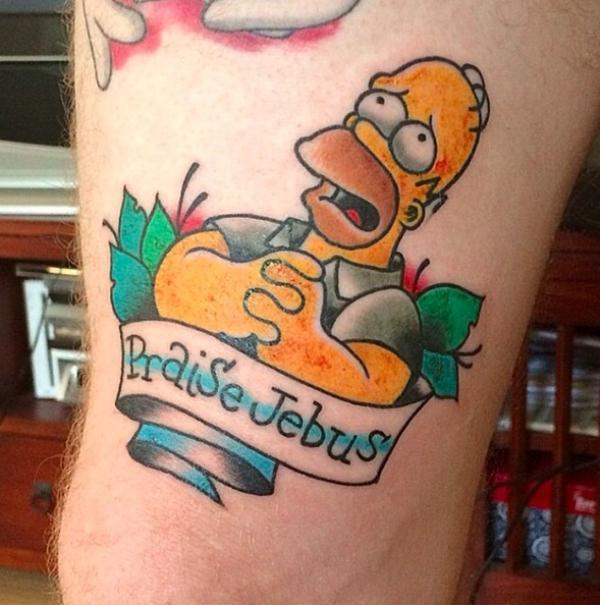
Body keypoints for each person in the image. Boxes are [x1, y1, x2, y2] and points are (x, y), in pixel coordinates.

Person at [57, 1, 600, 603]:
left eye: (412, 143)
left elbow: (381, 379)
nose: (371, 149)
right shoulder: (260, 240)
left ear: (420, 202)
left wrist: (309, 344)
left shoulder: (385, 310)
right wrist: (227, 291)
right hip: (170, 435)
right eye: (378, 112)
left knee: (190, 575)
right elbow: (186, 264)